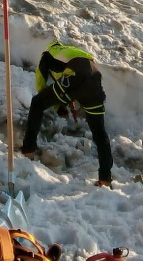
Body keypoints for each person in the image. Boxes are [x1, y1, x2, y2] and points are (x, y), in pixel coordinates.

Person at [20, 40, 114, 187]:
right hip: (95, 85)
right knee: (100, 132)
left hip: (75, 78)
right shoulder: (76, 53)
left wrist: (58, 107)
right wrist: (64, 101)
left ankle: (28, 150)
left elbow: (41, 85)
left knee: (37, 104)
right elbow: (80, 77)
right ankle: (105, 178)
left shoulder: (47, 55)